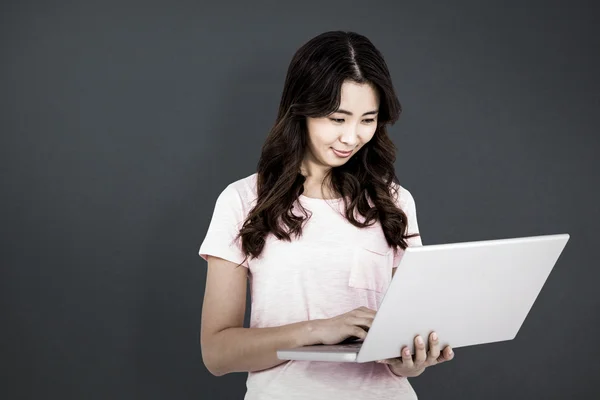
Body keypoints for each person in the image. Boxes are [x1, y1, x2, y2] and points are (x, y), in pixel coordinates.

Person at [198, 30, 455, 400]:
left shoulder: (394, 201)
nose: (352, 137)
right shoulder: (242, 201)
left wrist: (409, 359)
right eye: (338, 119)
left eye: (368, 120)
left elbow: (400, 336)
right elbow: (217, 353)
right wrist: (318, 329)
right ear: (300, 108)